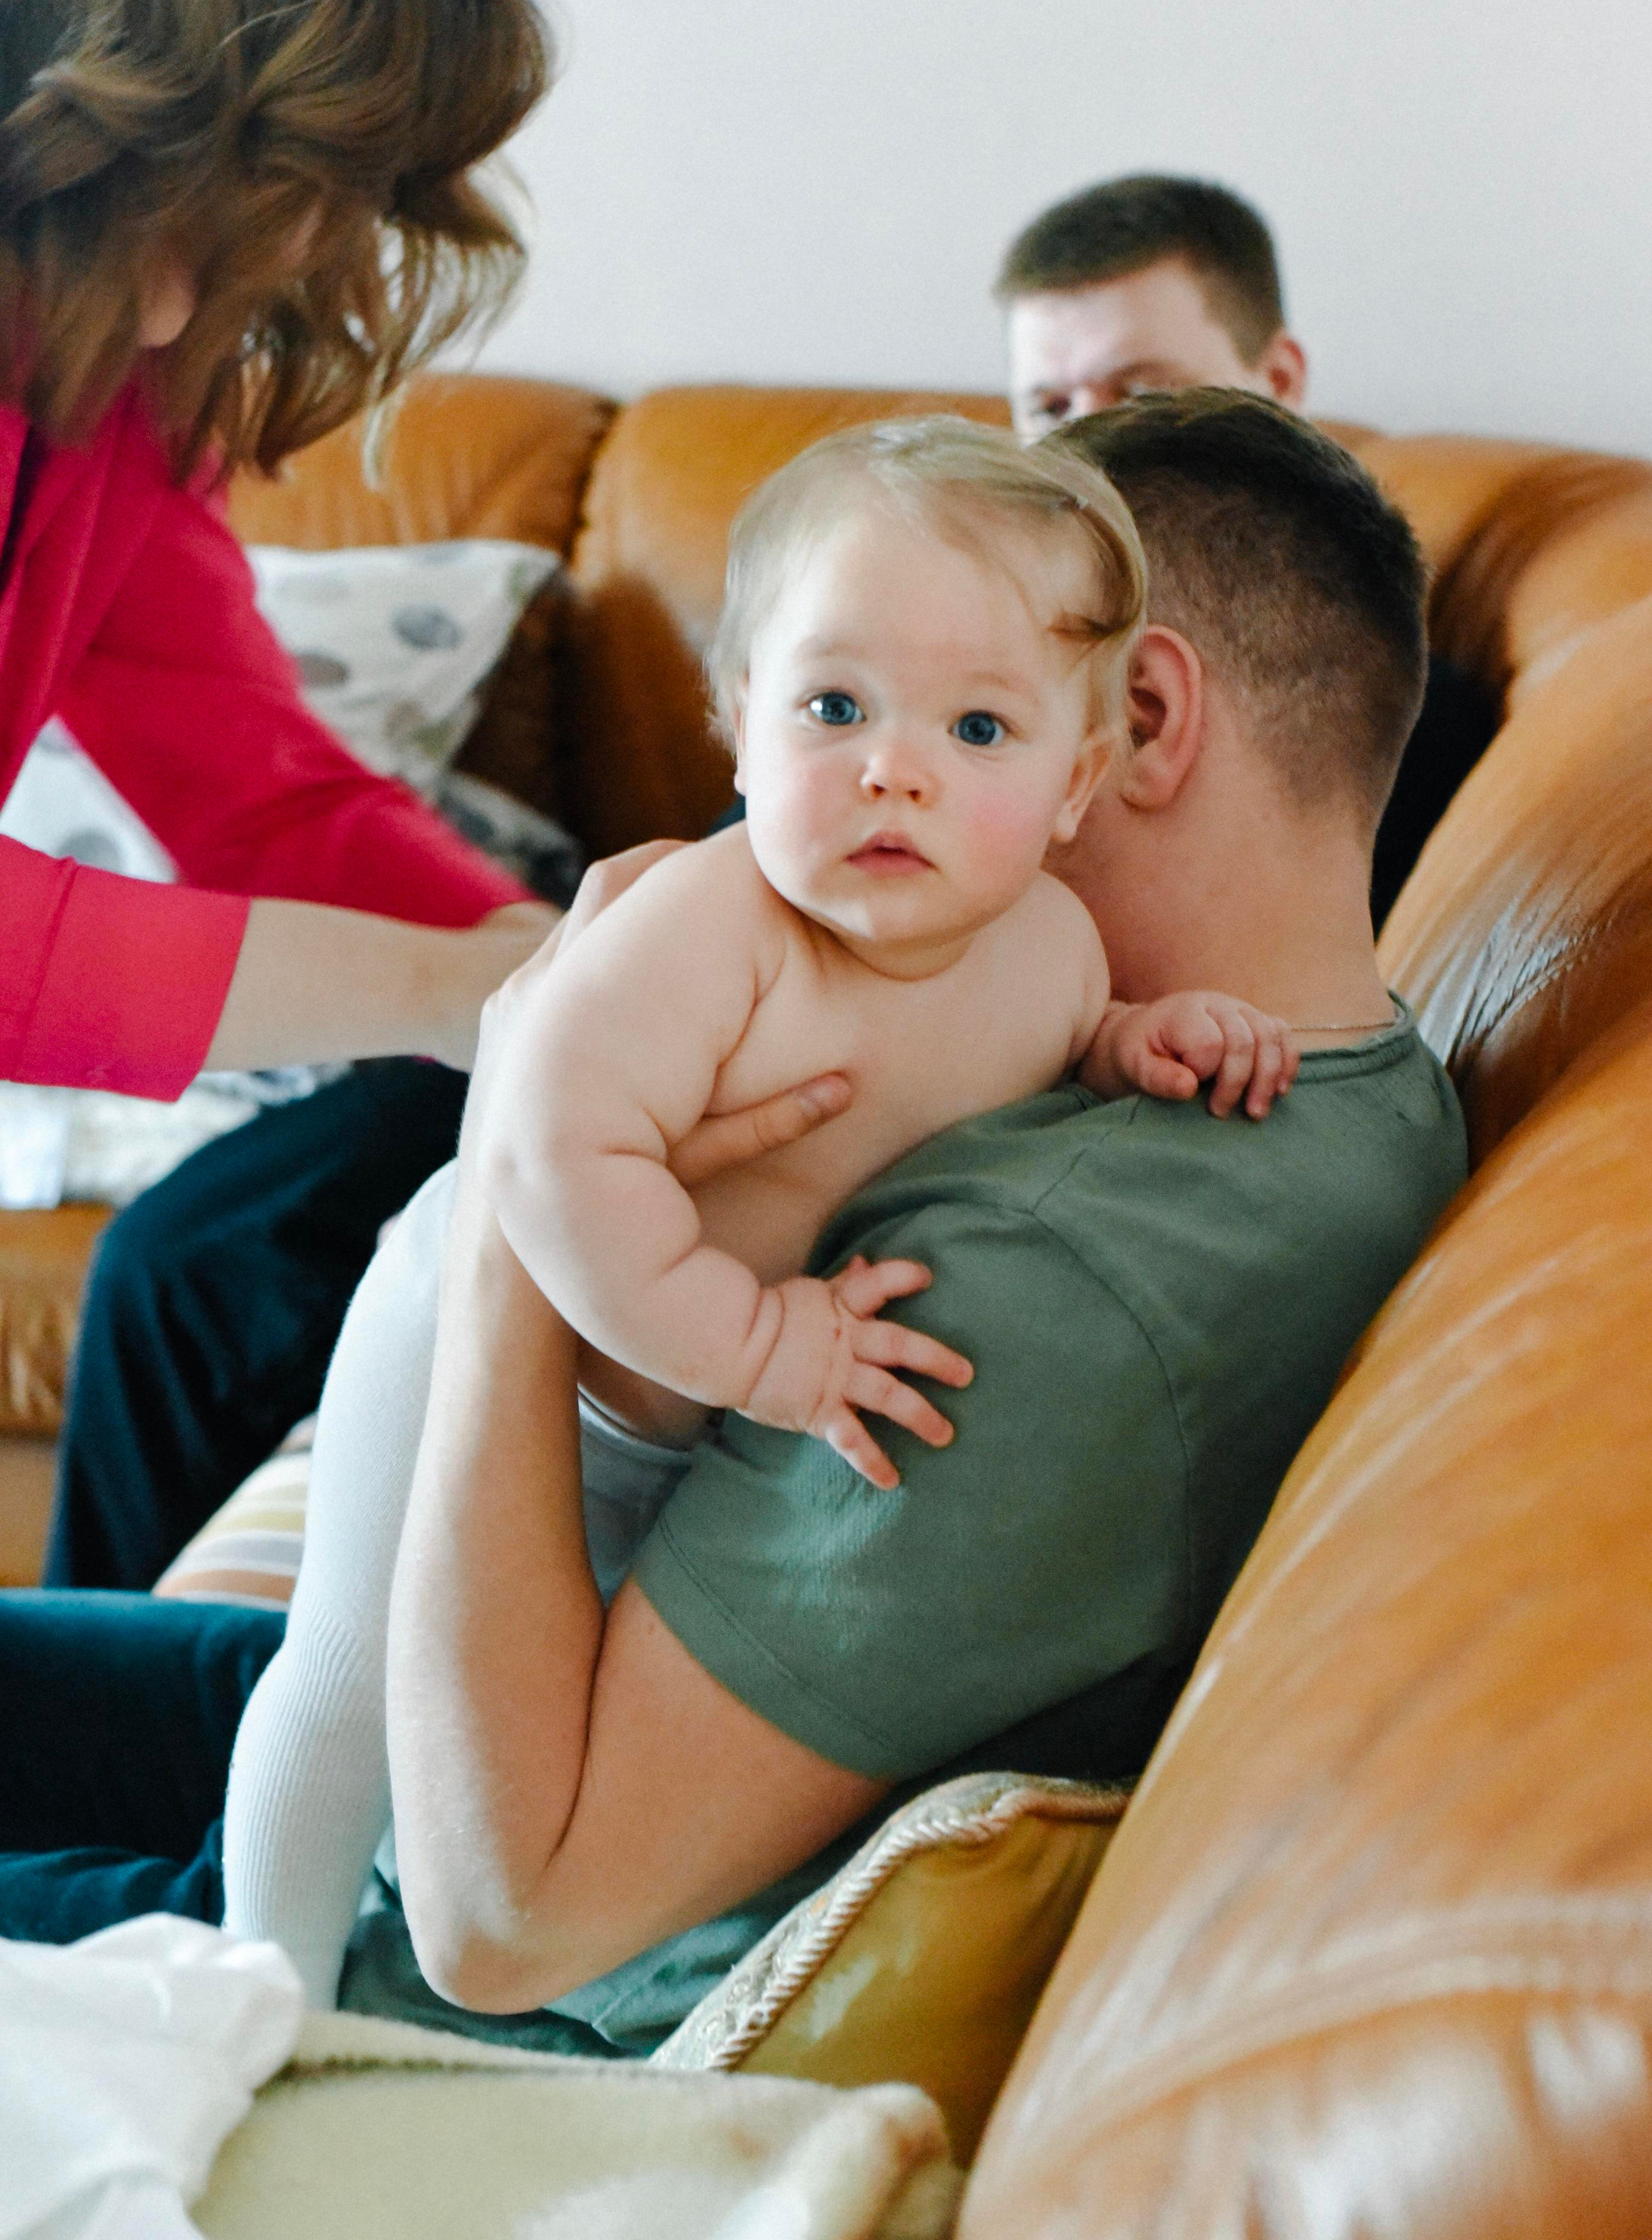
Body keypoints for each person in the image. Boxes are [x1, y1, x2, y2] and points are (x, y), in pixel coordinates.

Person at [0, 394, 1466, 2063]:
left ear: (1122, 730)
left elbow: (502, 1914)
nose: (882, 778)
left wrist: (506, 1214)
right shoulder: (1342, 1070)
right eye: (836, 705)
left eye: (972, 719)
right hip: (461, 1674)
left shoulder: (1052, 1275)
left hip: (406, 1944)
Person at [0, 0, 556, 1590]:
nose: (290, 260)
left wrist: (564, 976)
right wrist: (451, 989)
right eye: (257, 187)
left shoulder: (120, 402)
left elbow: (263, 790)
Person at [996, 172, 1500, 931]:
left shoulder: (1396, 708)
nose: (1084, 449)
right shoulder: (955, 645)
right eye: (1051, 408)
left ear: (1278, 380)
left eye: (1139, 394)